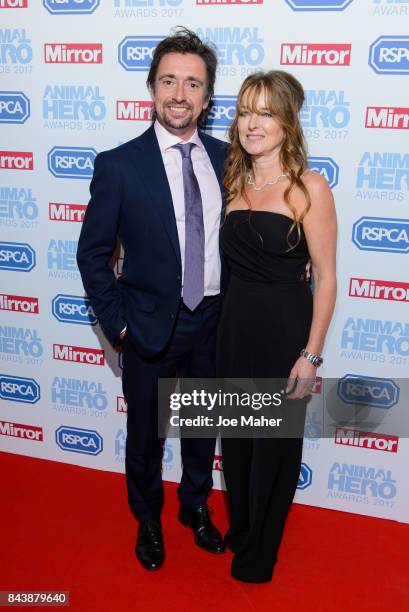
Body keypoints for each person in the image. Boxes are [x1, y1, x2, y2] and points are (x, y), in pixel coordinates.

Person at [76, 27, 228, 572]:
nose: (180, 94)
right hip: (146, 326)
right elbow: (93, 254)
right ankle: (148, 517)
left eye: (192, 83)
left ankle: (194, 506)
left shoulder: (227, 158)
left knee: (203, 426)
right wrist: (118, 325)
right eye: (169, 81)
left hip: (214, 321)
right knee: (145, 432)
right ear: (152, 88)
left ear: (208, 97)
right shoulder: (119, 165)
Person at [217, 70, 337, 583]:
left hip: (284, 333)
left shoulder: (309, 187)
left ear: (288, 121)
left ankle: (261, 552)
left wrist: (310, 356)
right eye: (245, 110)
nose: (252, 123)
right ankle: (242, 527)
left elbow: (327, 279)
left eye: (265, 112)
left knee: (275, 450)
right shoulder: (233, 179)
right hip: (232, 329)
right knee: (237, 442)